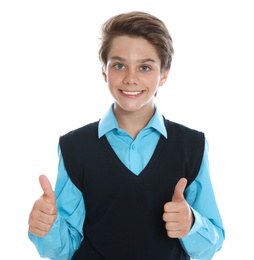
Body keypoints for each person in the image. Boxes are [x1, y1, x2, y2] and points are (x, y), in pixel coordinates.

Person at [28, 11, 225, 260]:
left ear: (163, 74)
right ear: (104, 71)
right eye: (119, 65)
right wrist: (48, 227)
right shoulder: (74, 147)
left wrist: (191, 224)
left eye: (144, 67)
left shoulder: (192, 145)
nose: (131, 79)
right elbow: (65, 248)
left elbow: (211, 244)